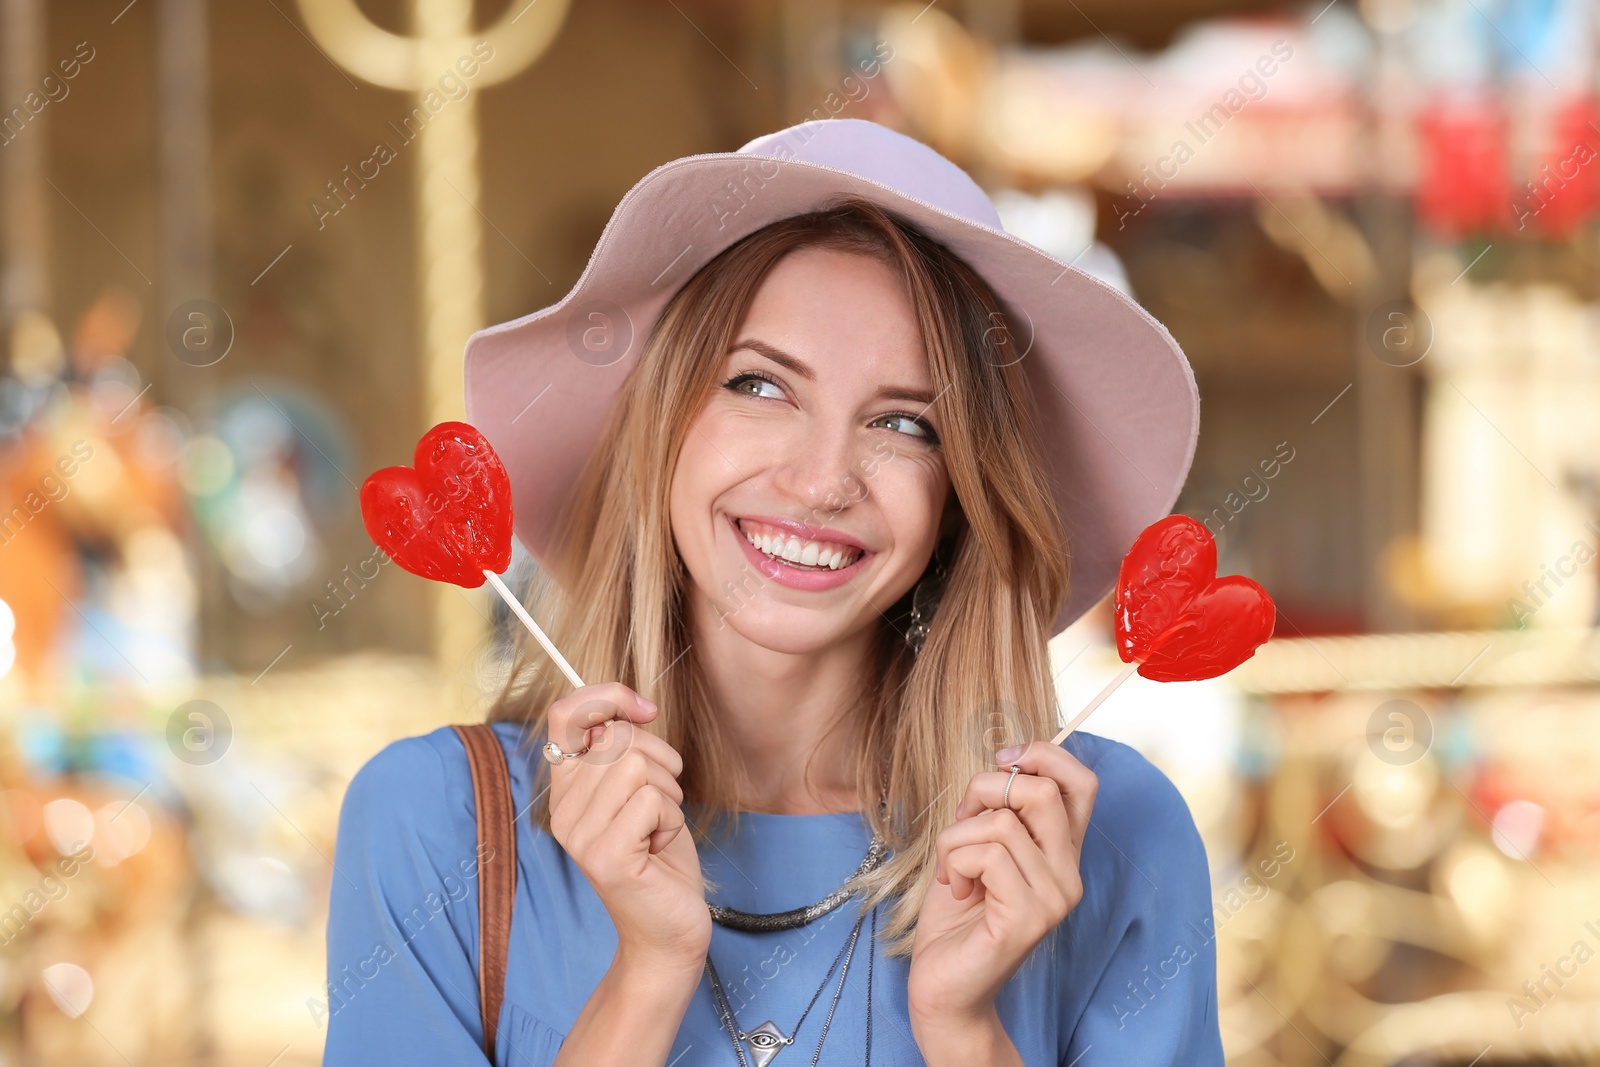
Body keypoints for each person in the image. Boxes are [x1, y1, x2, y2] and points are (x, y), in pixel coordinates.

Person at [322, 118, 1222, 1066]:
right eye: (760, 385)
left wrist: (964, 1031)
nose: (823, 478)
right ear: (659, 422)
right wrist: (649, 970)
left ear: (963, 493)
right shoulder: (436, 823)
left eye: (907, 424)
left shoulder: (1105, 835)